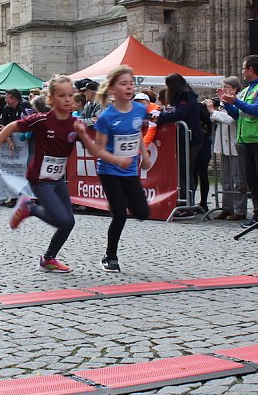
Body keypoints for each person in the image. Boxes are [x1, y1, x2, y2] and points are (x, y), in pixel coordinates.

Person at [0, 74, 94, 273]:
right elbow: (11, 126)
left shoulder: (75, 124)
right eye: (62, 95)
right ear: (51, 99)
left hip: (57, 179)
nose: (68, 99)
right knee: (63, 220)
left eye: (71, 95)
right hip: (39, 180)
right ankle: (29, 207)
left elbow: (92, 150)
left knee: (68, 223)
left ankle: (48, 259)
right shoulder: (42, 120)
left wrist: (85, 135)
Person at [92, 66, 152, 272]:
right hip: (109, 170)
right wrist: (118, 160)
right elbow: (98, 151)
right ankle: (110, 257)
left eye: (131, 83)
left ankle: (119, 201)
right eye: (123, 83)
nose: (129, 87)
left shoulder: (139, 110)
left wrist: (144, 155)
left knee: (143, 213)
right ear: (112, 90)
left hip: (129, 171)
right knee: (119, 215)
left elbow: (136, 135)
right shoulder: (106, 117)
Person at [218, 55, 258, 229]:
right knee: (252, 180)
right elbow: (239, 115)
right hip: (248, 140)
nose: (242, 72)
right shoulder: (247, 90)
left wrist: (235, 101)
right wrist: (228, 104)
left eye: (244, 68)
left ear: (251, 70)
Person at [155, 73, 204, 205]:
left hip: (190, 139)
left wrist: (160, 117)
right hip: (184, 138)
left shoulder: (186, 95)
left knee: (185, 171)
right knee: (183, 171)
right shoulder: (182, 94)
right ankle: (186, 201)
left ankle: (186, 202)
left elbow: (181, 114)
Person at [205, 77, 247, 221]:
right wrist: (215, 112)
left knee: (237, 179)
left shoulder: (239, 100)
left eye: (226, 86)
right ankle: (226, 208)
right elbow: (216, 118)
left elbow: (231, 118)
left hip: (235, 143)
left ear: (234, 89)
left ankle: (239, 209)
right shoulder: (225, 103)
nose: (223, 89)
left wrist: (213, 111)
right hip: (224, 144)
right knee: (226, 179)